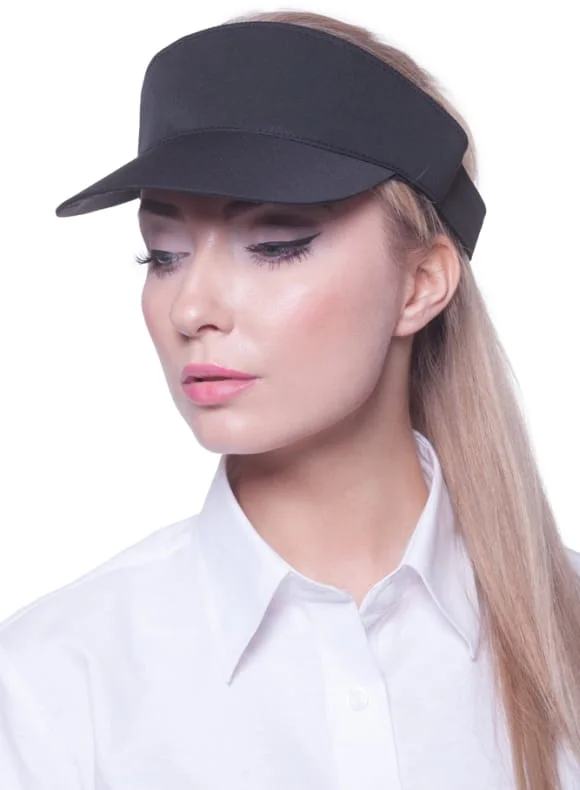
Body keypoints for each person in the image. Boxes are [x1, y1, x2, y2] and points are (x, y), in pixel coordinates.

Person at [1, 9, 579, 790]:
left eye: (275, 246)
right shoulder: (48, 690)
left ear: (420, 284)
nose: (191, 307)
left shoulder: (566, 638)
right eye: (162, 255)